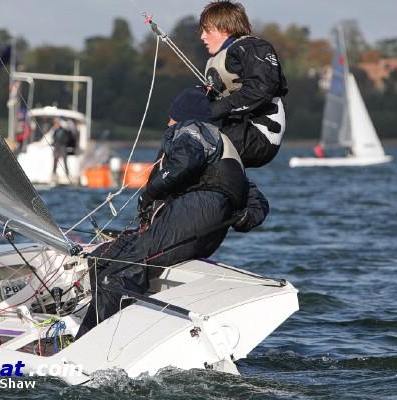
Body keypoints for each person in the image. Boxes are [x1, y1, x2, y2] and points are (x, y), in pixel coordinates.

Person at [76, 87, 269, 338]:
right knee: (101, 257)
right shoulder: (224, 148)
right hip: (204, 226)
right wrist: (247, 217)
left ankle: (95, 340)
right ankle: (101, 324)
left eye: (171, 116)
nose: (168, 122)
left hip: (194, 215)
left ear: (184, 115)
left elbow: (185, 162)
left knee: (118, 274)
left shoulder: (192, 130)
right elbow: (258, 202)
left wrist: (150, 192)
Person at [200, 1, 288, 168]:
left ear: (225, 28)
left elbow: (261, 90)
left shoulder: (253, 47)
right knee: (184, 136)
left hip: (260, 135)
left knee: (194, 150)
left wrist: (211, 111)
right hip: (235, 132)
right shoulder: (217, 60)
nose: (202, 36)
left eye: (207, 30)